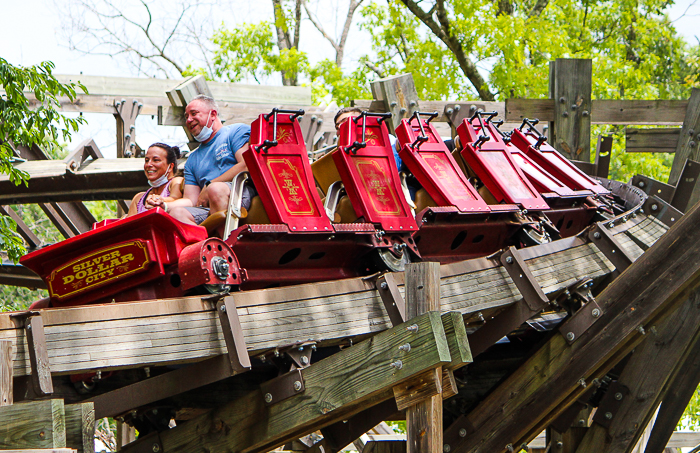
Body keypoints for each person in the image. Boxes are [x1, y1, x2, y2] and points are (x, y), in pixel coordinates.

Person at [167, 95, 254, 225]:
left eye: (194, 113)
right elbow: (191, 199)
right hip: (207, 207)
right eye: (186, 117)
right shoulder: (192, 159)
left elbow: (246, 165)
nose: (189, 120)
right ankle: (206, 243)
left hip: (239, 193)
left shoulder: (235, 131)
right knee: (177, 213)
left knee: (216, 189)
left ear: (213, 114)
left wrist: (209, 186)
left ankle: (225, 244)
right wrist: (164, 206)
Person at [333, 106, 402, 170]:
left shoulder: (389, 141)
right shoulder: (341, 155)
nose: (339, 127)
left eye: (345, 121)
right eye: (337, 127)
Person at [125, 143, 184, 217]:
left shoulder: (176, 182)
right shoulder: (138, 199)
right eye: (146, 160)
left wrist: (159, 200)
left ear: (170, 167)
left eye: (156, 160)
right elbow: (130, 225)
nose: (149, 164)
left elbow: (175, 199)